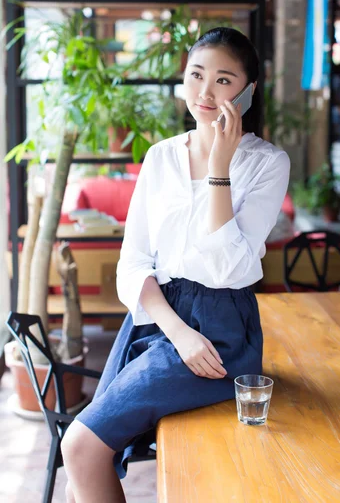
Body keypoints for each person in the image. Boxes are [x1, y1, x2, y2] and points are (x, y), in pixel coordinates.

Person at [61, 27, 290, 503]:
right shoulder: (160, 156)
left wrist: (219, 169)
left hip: (223, 328)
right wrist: (177, 332)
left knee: (80, 444)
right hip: (156, 317)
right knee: (84, 448)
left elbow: (230, 270)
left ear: (249, 90)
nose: (206, 92)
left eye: (224, 80)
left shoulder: (267, 163)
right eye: (196, 75)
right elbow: (134, 262)